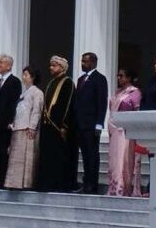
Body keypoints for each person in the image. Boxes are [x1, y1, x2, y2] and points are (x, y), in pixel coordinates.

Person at [36, 55, 76, 193]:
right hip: (47, 125)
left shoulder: (68, 82)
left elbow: (68, 105)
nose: (51, 68)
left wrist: (64, 125)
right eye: (51, 65)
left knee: (58, 156)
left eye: (54, 65)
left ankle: (57, 183)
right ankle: (45, 183)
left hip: (58, 127)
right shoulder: (51, 82)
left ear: (62, 67)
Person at [74, 52, 108, 194]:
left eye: (85, 61)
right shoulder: (81, 79)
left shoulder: (99, 79)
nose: (82, 63)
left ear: (93, 62)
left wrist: (99, 124)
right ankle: (85, 181)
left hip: (92, 123)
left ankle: (92, 184)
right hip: (80, 123)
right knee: (84, 155)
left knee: (92, 154)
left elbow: (101, 102)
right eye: (82, 61)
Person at [5, 66, 43, 190]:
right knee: (16, 158)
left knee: (26, 158)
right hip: (18, 127)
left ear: (33, 77)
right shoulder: (24, 92)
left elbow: (36, 111)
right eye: (23, 74)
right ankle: (14, 183)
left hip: (27, 128)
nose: (23, 77)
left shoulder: (37, 92)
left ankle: (26, 183)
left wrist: (32, 127)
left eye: (26, 74)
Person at [107, 68, 142, 197]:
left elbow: (137, 112)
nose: (119, 78)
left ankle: (124, 188)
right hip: (115, 130)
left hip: (126, 131)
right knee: (114, 160)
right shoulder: (117, 92)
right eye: (118, 76)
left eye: (121, 76)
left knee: (125, 160)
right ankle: (114, 188)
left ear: (129, 78)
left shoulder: (135, 92)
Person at [0, 54, 21, 187]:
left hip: (5, 124)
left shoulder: (14, 82)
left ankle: (5, 179)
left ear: (8, 66)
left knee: (4, 152)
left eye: (1, 63)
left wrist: (10, 120)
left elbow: (13, 102)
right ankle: (0, 177)